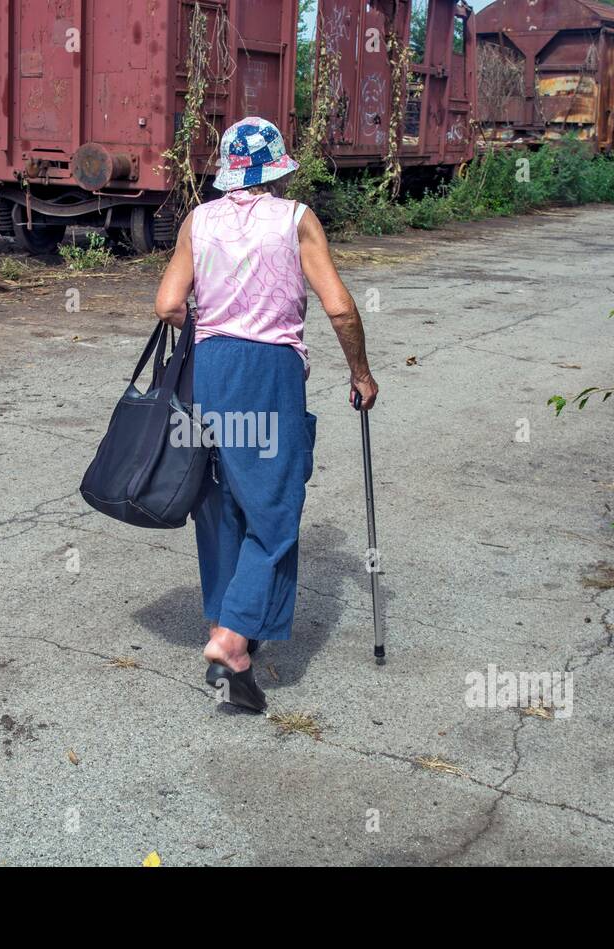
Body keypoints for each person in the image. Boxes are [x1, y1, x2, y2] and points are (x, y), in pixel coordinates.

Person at [154, 116, 378, 713]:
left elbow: (168, 304)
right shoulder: (295, 219)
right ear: (277, 167)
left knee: (220, 503)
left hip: (210, 368)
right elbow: (340, 308)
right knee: (275, 511)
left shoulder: (197, 221)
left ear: (229, 169)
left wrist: (215, 334)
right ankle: (231, 640)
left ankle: (225, 633)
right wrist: (360, 372)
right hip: (268, 372)